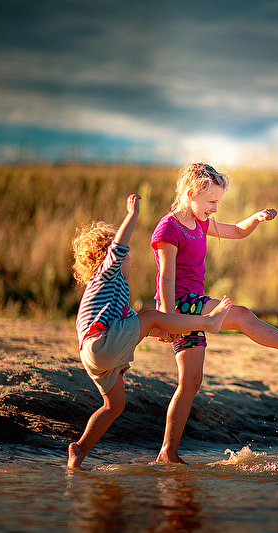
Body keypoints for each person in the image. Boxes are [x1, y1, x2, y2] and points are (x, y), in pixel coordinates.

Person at [151, 162, 278, 464]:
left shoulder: (200, 222)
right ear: (190, 194)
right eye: (211, 201)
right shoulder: (169, 228)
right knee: (240, 315)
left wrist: (255, 218)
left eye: (218, 202)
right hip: (179, 304)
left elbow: (237, 231)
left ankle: (167, 453)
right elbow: (165, 278)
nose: (215, 208)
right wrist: (166, 319)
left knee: (191, 382)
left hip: (190, 305)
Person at [68, 193, 232, 469]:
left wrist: (163, 332)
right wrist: (132, 215)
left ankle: (79, 449)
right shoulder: (107, 273)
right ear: (110, 257)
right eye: (128, 257)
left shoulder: (108, 293)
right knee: (153, 315)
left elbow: (135, 325)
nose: (129, 260)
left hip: (92, 353)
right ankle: (209, 322)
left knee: (113, 406)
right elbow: (118, 247)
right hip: (103, 342)